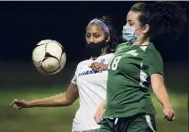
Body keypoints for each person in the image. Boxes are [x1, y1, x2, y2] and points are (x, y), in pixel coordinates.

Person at [10, 16, 120, 132]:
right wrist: (29, 103)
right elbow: (67, 97)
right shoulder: (82, 66)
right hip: (80, 127)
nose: (91, 40)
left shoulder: (116, 60)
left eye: (96, 35)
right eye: (88, 36)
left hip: (104, 127)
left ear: (107, 37)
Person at [95, 2, 187, 132]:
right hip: (110, 119)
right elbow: (119, 80)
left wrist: (167, 105)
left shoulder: (150, 54)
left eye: (130, 23)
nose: (125, 27)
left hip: (137, 118)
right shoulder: (122, 47)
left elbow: (158, 84)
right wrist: (102, 105)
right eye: (126, 22)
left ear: (144, 28)